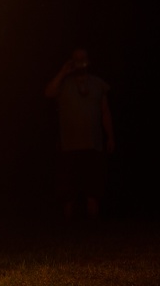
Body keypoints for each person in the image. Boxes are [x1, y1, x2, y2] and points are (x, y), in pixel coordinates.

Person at [44, 47, 115, 222]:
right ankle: (68, 229)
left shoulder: (98, 84)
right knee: (68, 190)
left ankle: (93, 227)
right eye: (76, 59)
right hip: (69, 145)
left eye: (83, 58)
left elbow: (105, 112)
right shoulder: (64, 83)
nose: (80, 62)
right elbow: (48, 93)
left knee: (94, 188)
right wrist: (63, 72)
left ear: (88, 61)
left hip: (93, 143)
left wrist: (111, 136)